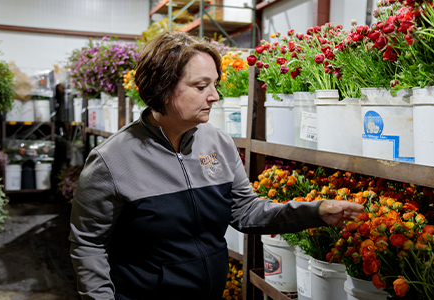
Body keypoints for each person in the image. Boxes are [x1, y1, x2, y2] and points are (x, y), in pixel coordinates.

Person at [69, 32, 364, 300]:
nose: (215, 96)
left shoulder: (218, 143)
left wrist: (316, 211)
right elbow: (88, 246)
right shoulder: (111, 160)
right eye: (201, 86)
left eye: (215, 84)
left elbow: (246, 212)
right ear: (163, 88)